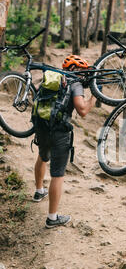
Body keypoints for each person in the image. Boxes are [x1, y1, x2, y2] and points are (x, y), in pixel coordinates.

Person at [32, 55, 97, 228]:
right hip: (59, 131)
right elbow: (82, 110)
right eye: (82, 71)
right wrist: (94, 98)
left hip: (42, 126)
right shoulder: (74, 84)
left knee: (42, 157)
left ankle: (39, 192)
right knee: (57, 174)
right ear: (74, 69)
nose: (84, 75)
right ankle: (52, 218)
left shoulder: (52, 78)